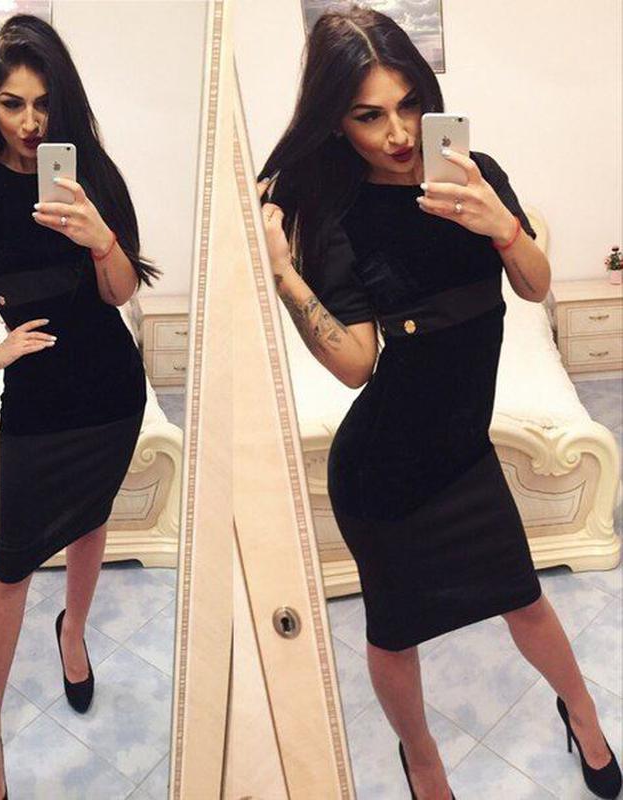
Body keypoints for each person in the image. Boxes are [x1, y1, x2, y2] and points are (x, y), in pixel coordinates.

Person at [257, 6, 621, 799]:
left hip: (462, 454)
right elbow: (355, 365)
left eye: (409, 105)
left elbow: (534, 287)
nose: (395, 133)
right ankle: (421, 760)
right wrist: (284, 276)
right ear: (335, 120)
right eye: (368, 116)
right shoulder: (338, 215)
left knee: (524, 602)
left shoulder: (473, 172)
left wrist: (501, 226)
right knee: (395, 633)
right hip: (382, 470)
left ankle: (584, 714)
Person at [0, 15, 159, 799]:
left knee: (92, 518)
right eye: (11, 103)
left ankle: (73, 632)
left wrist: (100, 238)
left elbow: (118, 294)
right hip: (37, 400)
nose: (28, 122)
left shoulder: (92, 174)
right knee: (11, 562)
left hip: (111, 391)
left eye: (43, 104)